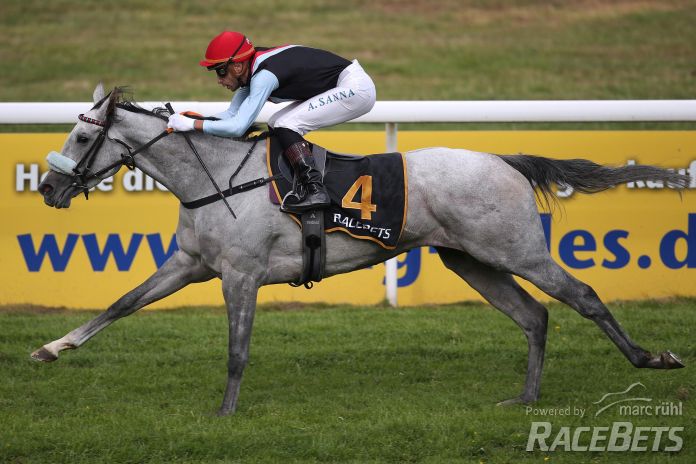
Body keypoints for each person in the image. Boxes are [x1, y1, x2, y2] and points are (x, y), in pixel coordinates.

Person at [167, 31, 377, 213]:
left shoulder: (263, 76)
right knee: (277, 122)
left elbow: (238, 127)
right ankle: (300, 182)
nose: (219, 80)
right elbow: (231, 115)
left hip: (356, 89)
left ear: (238, 66)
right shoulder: (251, 72)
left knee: (286, 124)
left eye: (221, 71)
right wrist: (192, 119)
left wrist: (193, 125)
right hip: (346, 85)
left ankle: (315, 190)